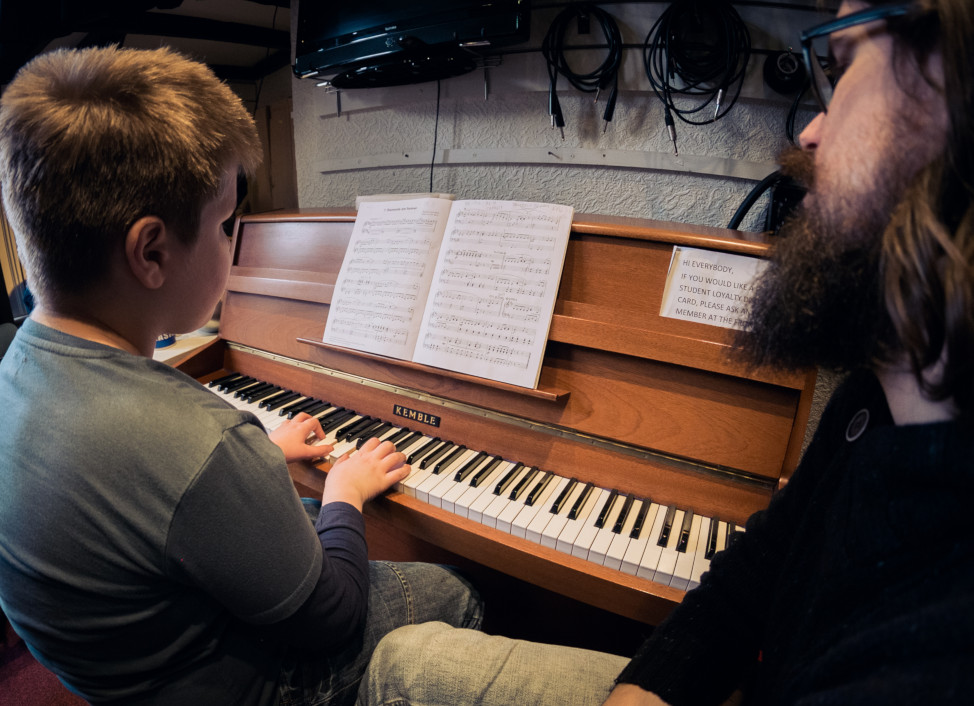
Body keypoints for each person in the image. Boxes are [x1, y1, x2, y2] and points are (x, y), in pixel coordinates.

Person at [356, 1, 974, 704]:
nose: (809, 130)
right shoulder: (873, 400)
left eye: (844, 63)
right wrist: (648, 686)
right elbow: (759, 569)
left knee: (402, 661)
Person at [0, 46, 481, 706]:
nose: (233, 242)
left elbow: (146, 489)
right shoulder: (202, 439)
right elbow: (333, 617)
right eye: (226, 225)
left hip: (116, 672)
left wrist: (261, 455)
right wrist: (344, 492)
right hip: (235, 686)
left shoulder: (18, 364)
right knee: (455, 589)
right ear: (151, 252)